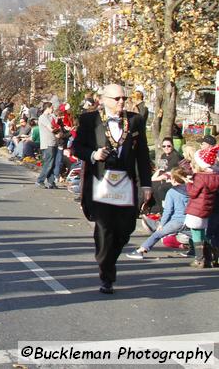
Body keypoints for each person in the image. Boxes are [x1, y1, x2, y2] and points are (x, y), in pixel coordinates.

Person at [73, 83, 152, 294]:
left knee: (125, 230)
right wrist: (93, 155)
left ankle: (109, 259)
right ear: (103, 99)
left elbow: (143, 154)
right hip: (101, 183)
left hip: (126, 183)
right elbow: (77, 147)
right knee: (105, 228)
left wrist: (146, 184)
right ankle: (106, 273)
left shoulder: (135, 120)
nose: (121, 102)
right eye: (117, 99)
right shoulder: (90, 120)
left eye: (123, 98)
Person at [127, 167, 188, 259]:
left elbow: (168, 210)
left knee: (157, 234)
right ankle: (195, 251)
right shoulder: (191, 190)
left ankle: (141, 250)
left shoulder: (172, 192)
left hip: (177, 220)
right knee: (196, 236)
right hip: (190, 220)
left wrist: (162, 224)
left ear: (174, 179)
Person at [184, 139, 219, 268]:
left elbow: (193, 193)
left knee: (196, 233)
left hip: (196, 208)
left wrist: (188, 183)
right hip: (207, 208)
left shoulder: (199, 177)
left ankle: (200, 258)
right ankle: (209, 256)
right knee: (202, 233)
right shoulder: (214, 176)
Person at [35, 103, 59, 188]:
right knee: (48, 163)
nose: (53, 109)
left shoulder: (51, 116)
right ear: (47, 108)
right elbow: (51, 128)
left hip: (53, 142)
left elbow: (57, 123)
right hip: (47, 143)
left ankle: (51, 182)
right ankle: (40, 180)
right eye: (52, 107)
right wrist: (58, 132)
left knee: (52, 163)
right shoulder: (43, 117)